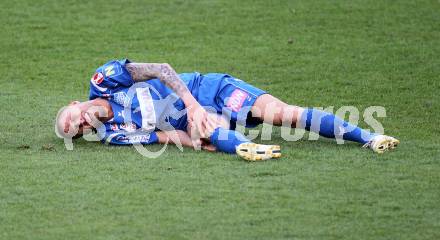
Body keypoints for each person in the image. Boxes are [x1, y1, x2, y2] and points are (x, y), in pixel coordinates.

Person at [55, 59, 399, 161]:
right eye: (78, 131)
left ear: (74, 105)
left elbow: (161, 68)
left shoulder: (104, 80)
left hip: (208, 89)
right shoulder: (113, 136)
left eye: (73, 119)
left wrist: (191, 104)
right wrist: (192, 141)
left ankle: (369, 136)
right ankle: (250, 149)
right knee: (206, 131)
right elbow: (163, 134)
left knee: (280, 114)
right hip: (197, 119)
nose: (81, 124)